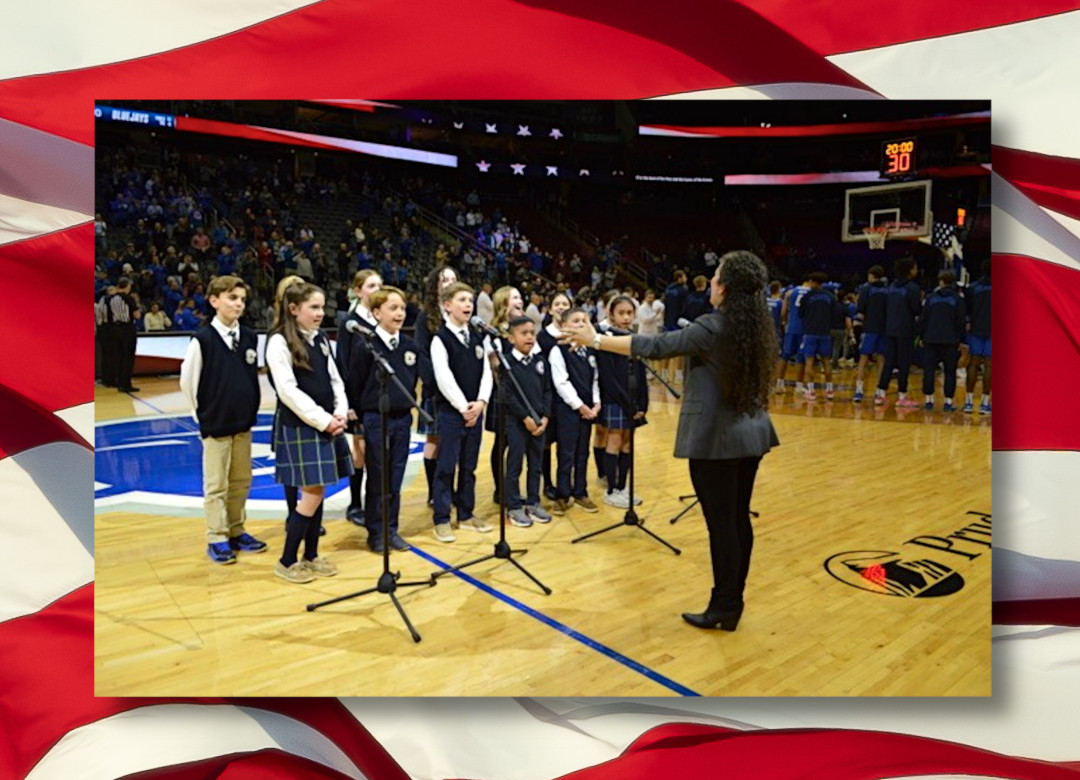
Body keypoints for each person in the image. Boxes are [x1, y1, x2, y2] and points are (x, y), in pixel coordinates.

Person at [563, 250, 779, 631]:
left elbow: (655, 347)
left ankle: (724, 606)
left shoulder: (713, 326)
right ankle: (733, 601)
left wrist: (595, 338)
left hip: (717, 442)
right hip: (751, 435)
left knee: (722, 526)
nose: (710, 282)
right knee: (737, 519)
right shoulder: (754, 325)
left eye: (715, 277)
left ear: (725, 288)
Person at [266, 282, 354, 583]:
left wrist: (340, 412)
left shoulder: (321, 340)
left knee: (318, 492)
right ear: (293, 309)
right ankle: (287, 559)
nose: (320, 313)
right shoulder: (278, 342)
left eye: (321, 307)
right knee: (312, 493)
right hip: (303, 426)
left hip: (327, 423)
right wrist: (323, 420)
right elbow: (287, 390)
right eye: (313, 308)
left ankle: (311, 556)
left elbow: (335, 381)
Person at [179, 275, 267, 564]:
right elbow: (188, 383)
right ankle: (217, 536)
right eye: (232, 298)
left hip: (243, 422)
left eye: (241, 299)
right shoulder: (202, 340)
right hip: (216, 424)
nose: (238, 304)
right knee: (216, 484)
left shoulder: (251, 337)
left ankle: (235, 529)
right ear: (214, 300)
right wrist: (203, 415)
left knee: (241, 480)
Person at [348, 287, 422, 553]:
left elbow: (411, 381)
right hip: (376, 419)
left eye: (402, 308)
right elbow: (355, 383)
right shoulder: (366, 346)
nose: (400, 313)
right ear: (376, 313)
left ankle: (392, 529)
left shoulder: (410, 346)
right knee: (378, 475)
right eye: (393, 308)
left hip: (403, 420)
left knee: (396, 477)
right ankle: (376, 532)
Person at [429, 281, 493, 542]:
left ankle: (466, 514)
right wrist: (463, 406)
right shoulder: (440, 339)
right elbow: (443, 377)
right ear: (447, 305)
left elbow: (486, 373)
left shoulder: (478, 337)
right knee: (446, 466)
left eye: (470, 300)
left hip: (475, 412)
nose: (468, 305)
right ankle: (442, 518)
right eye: (462, 300)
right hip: (453, 413)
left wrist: (481, 402)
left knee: (469, 464)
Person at [335, 269, 383, 529]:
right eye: (371, 285)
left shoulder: (382, 318)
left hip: (378, 395)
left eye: (380, 284)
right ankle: (355, 503)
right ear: (358, 290)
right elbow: (343, 361)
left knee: (377, 452)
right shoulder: (349, 322)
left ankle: (375, 502)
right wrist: (349, 403)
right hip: (358, 397)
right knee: (361, 451)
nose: (377, 289)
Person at [594, 296, 648, 509]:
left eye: (629, 313)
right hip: (617, 401)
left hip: (634, 402)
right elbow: (608, 378)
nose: (626, 317)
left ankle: (623, 486)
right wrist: (628, 404)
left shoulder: (635, 338)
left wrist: (642, 404)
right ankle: (611, 489)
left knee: (628, 442)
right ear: (611, 315)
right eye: (621, 313)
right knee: (615, 441)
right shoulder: (606, 340)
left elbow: (642, 374)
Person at [549, 306, 601, 516]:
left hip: (588, 409)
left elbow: (595, 379)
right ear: (564, 326)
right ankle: (562, 494)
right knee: (566, 452)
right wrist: (579, 406)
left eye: (584, 321)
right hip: (569, 410)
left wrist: (596, 403)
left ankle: (580, 491)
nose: (581, 324)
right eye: (576, 321)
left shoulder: (590, 350)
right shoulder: (558, 350)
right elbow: (561, 382)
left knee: (583, 451)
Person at [501, 317, 553, 527]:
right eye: (524, 333)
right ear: (511, 338)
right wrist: (525, 417)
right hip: (518, 423)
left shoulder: (540, 361)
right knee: (515, 464)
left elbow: (548, 390)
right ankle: (513, 506)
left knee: (536, 464)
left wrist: (546, 417)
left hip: (540, 422)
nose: (530, 337)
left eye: (532, 332)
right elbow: (508, 395)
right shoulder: (507, 363)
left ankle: (533, 501)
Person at [414, 265, 459, 506]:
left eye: (453, 279)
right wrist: (436, 382)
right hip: (435, 390)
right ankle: (434, 492)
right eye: (444, 280)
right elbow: (422, 354)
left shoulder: (461, 314)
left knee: (452, 442)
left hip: (459, 390)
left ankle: (450, 490)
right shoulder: (426, 316)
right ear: (435, 285)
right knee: (434, 441)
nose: (449, 283)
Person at [486, 285, 526, 504]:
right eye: (515, 298)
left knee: (519, 443)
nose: (520, 301)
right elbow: (495, 371)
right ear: (503, 303)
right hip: (504, 395)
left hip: (524, 394)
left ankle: (513, 487)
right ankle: (500, 489)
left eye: (520, 297)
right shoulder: (495, 333)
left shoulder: (525, 327)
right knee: (501, 443)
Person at [874, 257, 922, 408]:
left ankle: (880, 393)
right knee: (904, 363)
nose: (916, 270)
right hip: (905, 329)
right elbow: (916, 309)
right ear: (909, 270)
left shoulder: (891, 287)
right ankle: (902, 396)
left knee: (889, 362)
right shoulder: (913, 288)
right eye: (915, 267)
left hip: (890, 328)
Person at [538, 291, 571, 501]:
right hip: (549, 397)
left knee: (566, 443)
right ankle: (547, 483)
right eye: (557, 304)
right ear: (550, 309)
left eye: (565, 303)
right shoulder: (543, 336)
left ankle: (565, 483)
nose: (561, 307)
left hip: (568, 397)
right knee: (547, 444)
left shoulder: (576, 334)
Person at [919, 270, 966, 412]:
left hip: (931, 339)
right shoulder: (957, 299)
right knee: (950, 371)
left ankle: (928, 400)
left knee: (929, 370)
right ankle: (948, 402)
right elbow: (960, 322)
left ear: (941, 281)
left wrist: (921, 336)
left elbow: (923, 319)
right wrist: (961, 339)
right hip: (950, 340)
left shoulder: (931, 298)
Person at [796, 272, 842, 401]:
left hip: (810, 332)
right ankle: (830, 390)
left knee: (809, 362)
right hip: (825, 333)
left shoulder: (807, 296)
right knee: (826, 361)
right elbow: (834, 315)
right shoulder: (831, 297)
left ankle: (811, 391)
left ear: (812, 281)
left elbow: (801, 314)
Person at [853, 265, 888, 402]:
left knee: (863, 358)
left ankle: (859, 391)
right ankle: (880, 392)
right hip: (884, 328)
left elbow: (860, 308)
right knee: (881, 359)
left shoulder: (866, 289)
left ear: (871, 275)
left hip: (869, 328)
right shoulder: (888, 290)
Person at [774, 275, 811, 397]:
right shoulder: (812, 292)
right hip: (804, 328)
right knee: (801, 357)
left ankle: (779, 384)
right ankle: (799, 387)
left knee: (784, 356)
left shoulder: (790, 292)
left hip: (791, 327)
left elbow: (783, 312)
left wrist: (785, 322)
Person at [963, 259, 992, 414]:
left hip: (975, 329)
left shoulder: (973, 287)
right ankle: (985, 403)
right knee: (989, 365)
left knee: (973, 364)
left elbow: (966, 309)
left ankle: (968, 402)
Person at [108, 276, 142, 393]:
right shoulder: (129, 299)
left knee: (120, 356)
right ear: (127, 286)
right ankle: (126, 384)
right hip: (127, 328)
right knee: (128, 357)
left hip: (116, 329)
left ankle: (120, 383)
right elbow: (137, 315)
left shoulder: (112, 299)